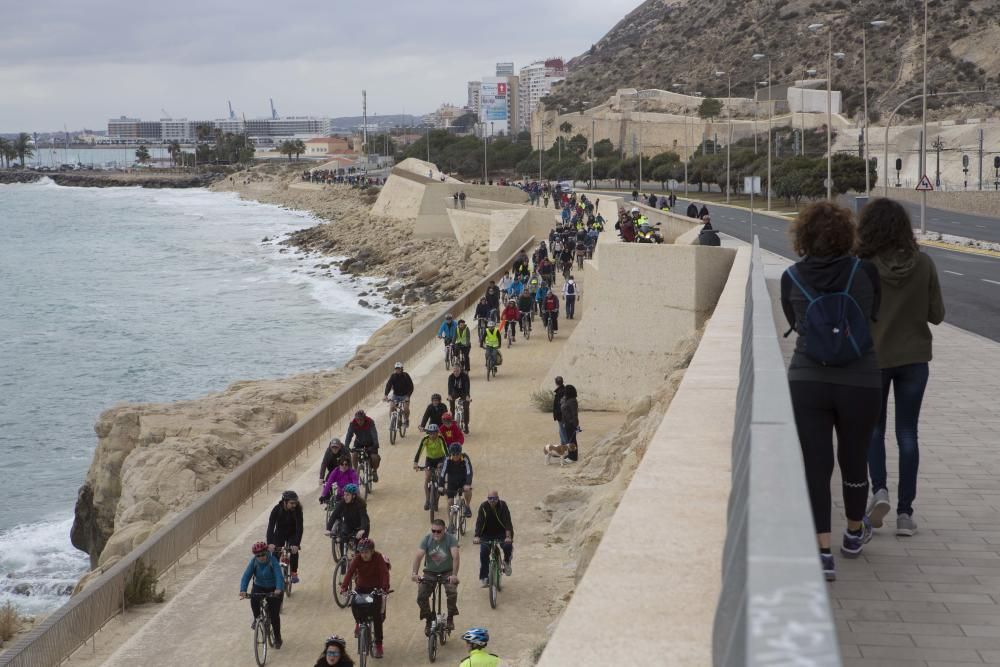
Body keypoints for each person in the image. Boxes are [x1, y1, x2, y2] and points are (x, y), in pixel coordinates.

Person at [780, 201, 882, 582]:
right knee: (855, 456)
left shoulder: (792, 276)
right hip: (860, 378)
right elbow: (874, 315)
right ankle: (854, 533)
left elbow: (794, 323)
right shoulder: (865, 271)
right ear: (846, 234)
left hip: (808, 379)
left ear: (802, 236)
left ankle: (822, 552)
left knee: (815, 466)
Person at [857, 198, 945, 537]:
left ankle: (879, 491)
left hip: (874, 360)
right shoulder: (924, 264)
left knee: (874, 430)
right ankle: (906, 514)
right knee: (908, 433)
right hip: (915, 360)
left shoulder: (863, 265)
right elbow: (937, 315)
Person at [339, 538, 390, 659]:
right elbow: (350, 572)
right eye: (362, 552)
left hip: (375, 589)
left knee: (377, 616)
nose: (364, 555)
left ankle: (378, 645)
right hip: (361, 587)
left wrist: (384, 588)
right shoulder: (357, 559)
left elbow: (384, 573)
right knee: (354, 603)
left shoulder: (378, 558)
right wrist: (344, 587)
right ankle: (358, 622)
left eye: (366, 552)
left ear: (372, 551)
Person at [411, 518, 460, 635]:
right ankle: (429, 619)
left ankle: (450, 617)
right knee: (421, 596)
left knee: (452, 592)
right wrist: (414, 573)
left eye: (439, 531)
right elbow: (418, 556)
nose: (435, 534)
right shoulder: (427, 539)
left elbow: (456, 557)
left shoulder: (451, 539)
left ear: (444, 530)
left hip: (447, 572)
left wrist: (454, 575)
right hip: (430, 572)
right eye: (433, 531)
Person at [240, 541, 285, 650]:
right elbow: (246, 576)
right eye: (258, 555)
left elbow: (279, 576)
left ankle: (278, 638)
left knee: (274, 616)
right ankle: (257, 619)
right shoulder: (254, 562)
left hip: (274, 589)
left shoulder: (273, 561)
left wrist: (278, 589)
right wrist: (243, 590)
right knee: (254, 599)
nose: (261, 557)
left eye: (263, 554)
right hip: (259, 586)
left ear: (267, 552)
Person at [473, 491, 514, 586]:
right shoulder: (483, 506)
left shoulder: (503, 505)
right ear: (487, 498)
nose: (492, 500)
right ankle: (484, 576)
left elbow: (507, 521)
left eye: (494, 498)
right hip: (487, 534)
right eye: (490, 498)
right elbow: (479, 522)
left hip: (501, 533)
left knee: (508, 546)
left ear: (498, 498)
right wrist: (477, 536)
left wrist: (508, 536)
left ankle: (507, 561)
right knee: (483, 552)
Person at [266, 490, 303, 584]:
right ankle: (274, 573)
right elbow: (270, 527)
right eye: (292, 503)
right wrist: (270, 543)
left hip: (292, 533)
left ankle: (294, 572)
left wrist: (296, 544)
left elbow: (299, 528)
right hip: (280, 533)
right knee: (275, 553)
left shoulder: (297, 510)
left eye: (296, 503)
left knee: (294, 551)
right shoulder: (276, 510)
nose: (294, 505)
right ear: (285, 502)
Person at [413, 423, 448, 511]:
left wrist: (446, 462)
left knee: (440, 475)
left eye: (434, 433)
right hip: (430, 460)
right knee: (427, 476)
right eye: (430, 433)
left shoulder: (440, 439)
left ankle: (439, 493)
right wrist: (415, 463)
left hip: (440, 459)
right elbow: (419, 451)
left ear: (437, 433)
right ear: (428, 433)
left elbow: (446, 451)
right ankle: (428, 500)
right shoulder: (425, 439)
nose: (432, 435)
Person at [345, 410, 381, 482]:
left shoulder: (370, 422)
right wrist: (346, 445)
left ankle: (374, 471)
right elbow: (349, 435)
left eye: (361, 420)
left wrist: (375, 444)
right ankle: (355, 472)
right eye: (357, 420)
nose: (359, 421)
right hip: (359, 443)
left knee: (375, 458)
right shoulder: (353, 424)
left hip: (371, 444)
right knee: (354, 455)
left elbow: (374, 434)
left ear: (364, 418)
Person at [438, 443, 474, 518]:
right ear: (450, 453)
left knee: (468, 491)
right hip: (452, 482)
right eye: (453, 454)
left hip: (463, 481)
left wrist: (468, 484)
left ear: (460, 453)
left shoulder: (465, 458)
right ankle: (451, 524)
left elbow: (469, 471)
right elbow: (442, 473)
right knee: (450, 502)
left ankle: (467, 506)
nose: (455, 456)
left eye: (457, 454)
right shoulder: (447, 459)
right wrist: (440, 485)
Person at [383, 361, 414, 426]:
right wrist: (386, 395)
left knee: (405, 408)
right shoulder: (393, 376)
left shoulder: (406, 376)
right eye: (396, 369)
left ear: (402, 369)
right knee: (392, 408)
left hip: (405, 395)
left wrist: (408, 396)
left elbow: (411, 387)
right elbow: (388, 385)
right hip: (396, 395)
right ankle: (392, 422)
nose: (397, 370)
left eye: (399, 368)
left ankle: (406, 420)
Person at [447, 365, 472, 434]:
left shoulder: (465, 376)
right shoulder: (451, 377)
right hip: (455, 392)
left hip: (464, 392)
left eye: (457, 371)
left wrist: (467, 396)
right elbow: (450, 387)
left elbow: (467, 386)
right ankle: (452, 422)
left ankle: (466, 425)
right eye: (454, 371)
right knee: (451, 405)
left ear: (460, 370)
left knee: (466, 407)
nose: (456, 373)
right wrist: (449, 396)